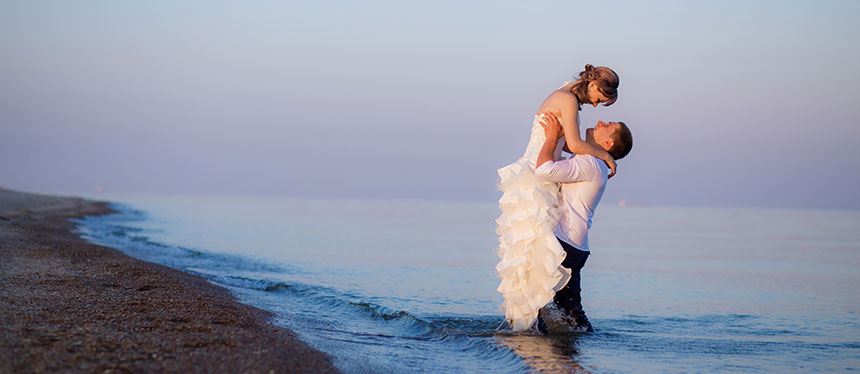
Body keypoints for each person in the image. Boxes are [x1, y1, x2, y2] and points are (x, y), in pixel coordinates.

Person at [495, 65, 620, 332]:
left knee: (537, 266)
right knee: (533, 264)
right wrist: (607, 155)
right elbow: (574, 146)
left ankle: (536, 333)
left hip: (544, 173)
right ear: (594, 86)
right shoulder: (568, 99)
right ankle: (536, 331)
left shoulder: (568, 97)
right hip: (537, 178)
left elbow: (567, 152)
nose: (596, 106)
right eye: (600, 100)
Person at [534, 115, 633, 333]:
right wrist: (607, 156)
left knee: (533, 301)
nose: (599, 123)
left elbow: (543, 171)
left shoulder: (589, 164)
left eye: (607, 126)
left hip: (564, 245)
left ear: (608, 144)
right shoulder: (593, 161)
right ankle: (571, 360)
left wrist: (551, 136)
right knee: (572, 315)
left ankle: (536, 354)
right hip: (575, 246)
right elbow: (572, 145)